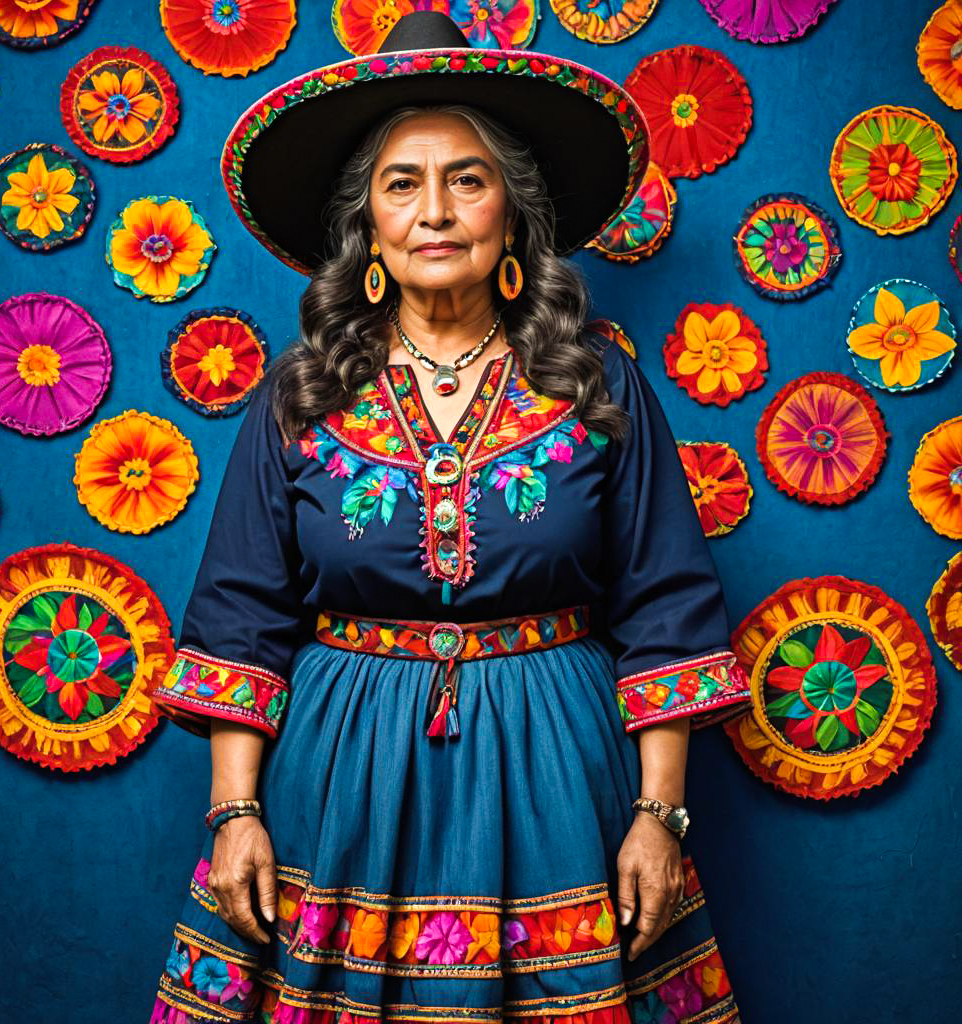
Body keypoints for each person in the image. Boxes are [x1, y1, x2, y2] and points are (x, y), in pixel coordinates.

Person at [148, 12, 751, 1024]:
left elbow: (666, 607)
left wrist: (657, 814)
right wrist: (237, 811)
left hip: (556, 769)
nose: (435, 209)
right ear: (367, 228)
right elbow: (241, 613)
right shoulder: (301, 392)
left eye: (467, 179)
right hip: (342, 775)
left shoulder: (596, 380)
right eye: (402, 183)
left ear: (511, 215)